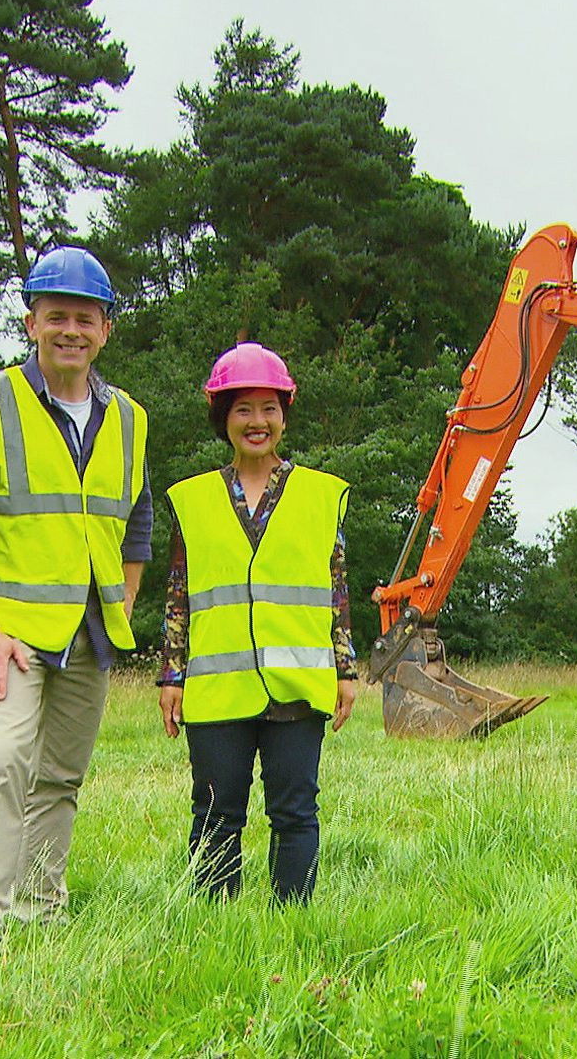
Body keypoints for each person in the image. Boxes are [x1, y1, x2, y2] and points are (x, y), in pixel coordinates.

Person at [0, 246, 152, 967]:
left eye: (85, 319)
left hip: (91, 632)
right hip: (13, 634)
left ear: (106, 330)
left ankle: (40, 917)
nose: (71, 331)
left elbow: (137, 522)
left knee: (59, 779)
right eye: (56, 316)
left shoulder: (129, 417)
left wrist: (120, 604)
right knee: (1, 759)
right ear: (32, 321)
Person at [155, 341, 356, 904]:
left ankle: (292, 920)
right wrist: (171, 677)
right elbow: (178, 596)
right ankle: (218, 925)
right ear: (225, 419)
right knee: (216, 812)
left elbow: (335, 589)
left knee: (295, 811)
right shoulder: (193, 500)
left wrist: (346, 670)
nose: (257, 422)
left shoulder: (320, 495)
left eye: (269, 408)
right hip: (217, 690)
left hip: (297, 684)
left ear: (284, 416)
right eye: (243, 409)